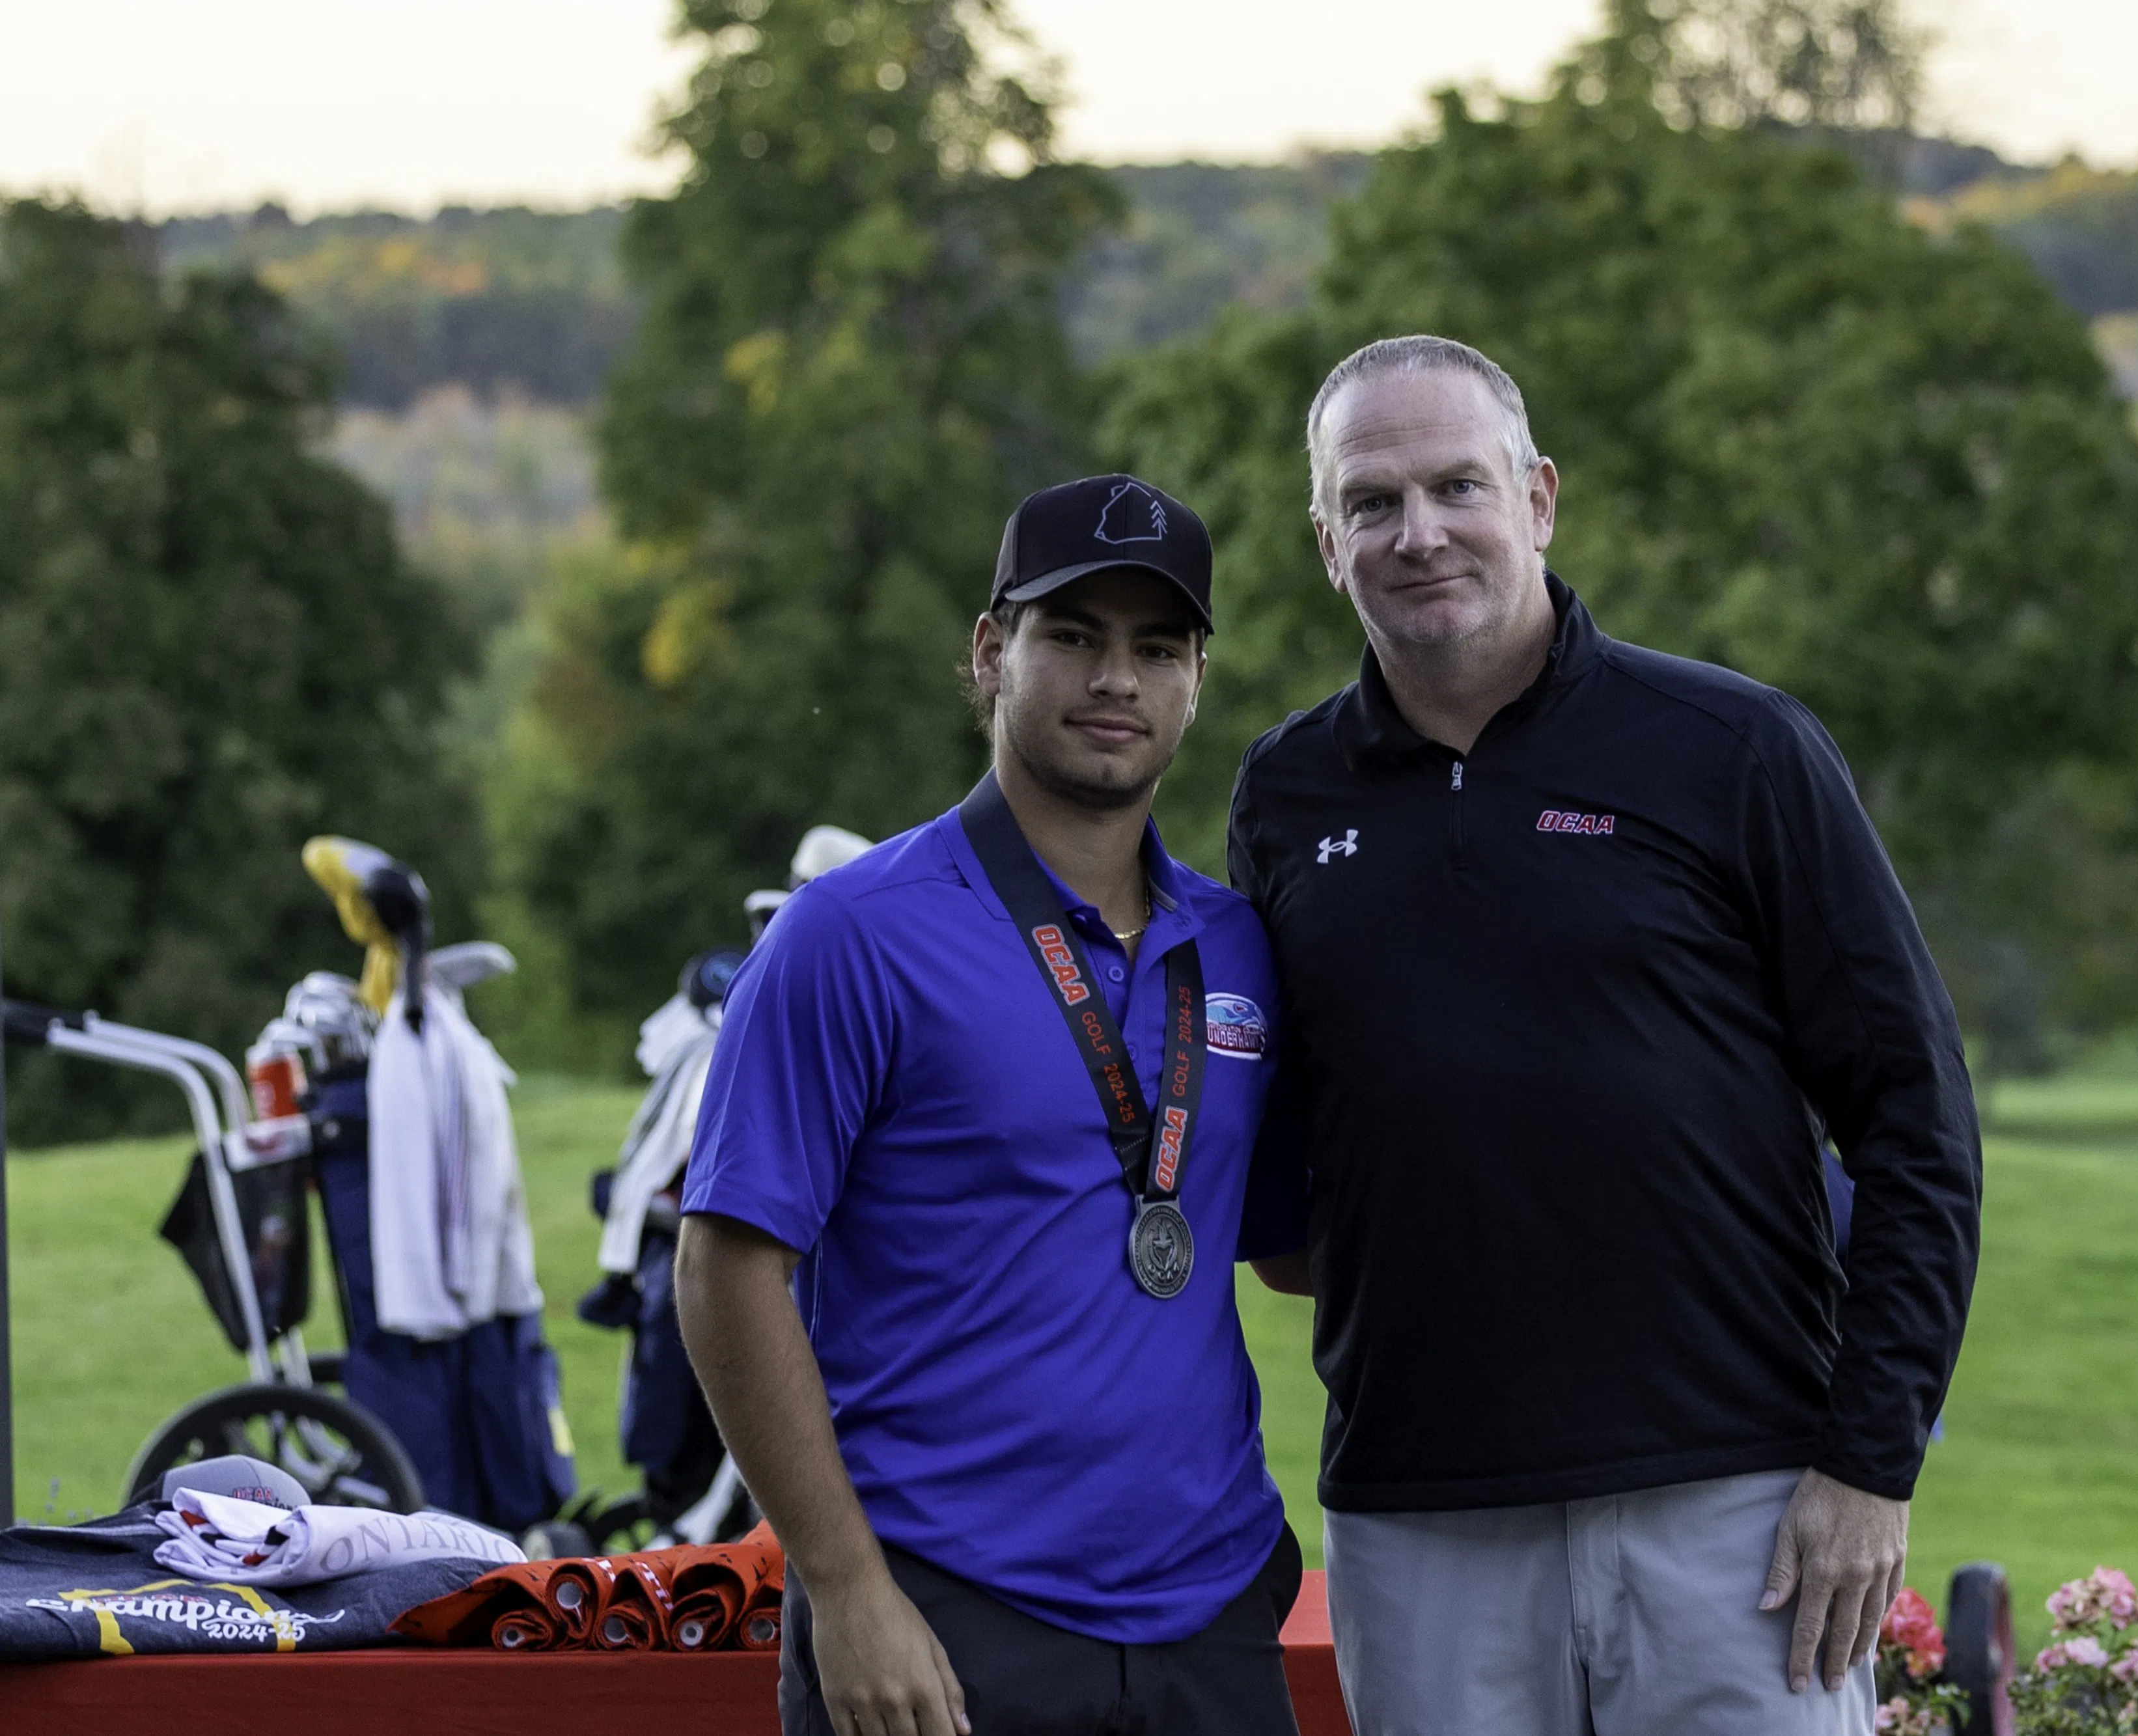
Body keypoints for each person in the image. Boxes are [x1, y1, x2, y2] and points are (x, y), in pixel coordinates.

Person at [1230, 337, 1984, 1736]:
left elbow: (1913, 1118)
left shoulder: (1731, 747)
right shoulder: (1283, 792)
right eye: (1373, 501)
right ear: (1325, 540)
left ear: (1539, 498)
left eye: (1457, 485)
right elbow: (1293, 1160)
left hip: (1737, 1508)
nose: (1420, 532)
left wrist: (1868, 1469)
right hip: (1420, 1513)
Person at [674, 475, 1306, 1736]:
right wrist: (846, 1586)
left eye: (1155, 646)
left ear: (1195, 677)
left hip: (1211, 1610)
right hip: (944, 1612)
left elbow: (1295, 1255)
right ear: (988, 650)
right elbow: (725, 1267)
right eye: (1071, 636)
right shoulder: (852, 930)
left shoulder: (1236, 945)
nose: (1114, 678)